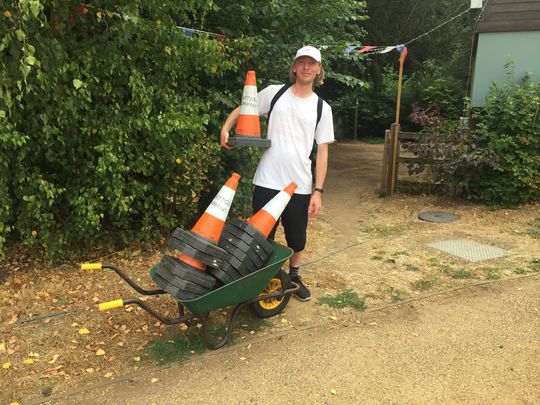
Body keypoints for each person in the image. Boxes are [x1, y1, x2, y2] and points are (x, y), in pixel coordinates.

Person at [220, 45, 334, 301]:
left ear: (318, 70)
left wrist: (318, 191)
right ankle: (260, 278)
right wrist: (226, 127)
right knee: (261, 236)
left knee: (297, 238)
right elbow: (244, 108)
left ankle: (294, 276)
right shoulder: (275, 93)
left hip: (300, 185)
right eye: (301, 62)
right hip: (267, 180)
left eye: (312, 63)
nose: (306, 67)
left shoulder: (322, 108)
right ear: (294, 67)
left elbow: (323, 151)